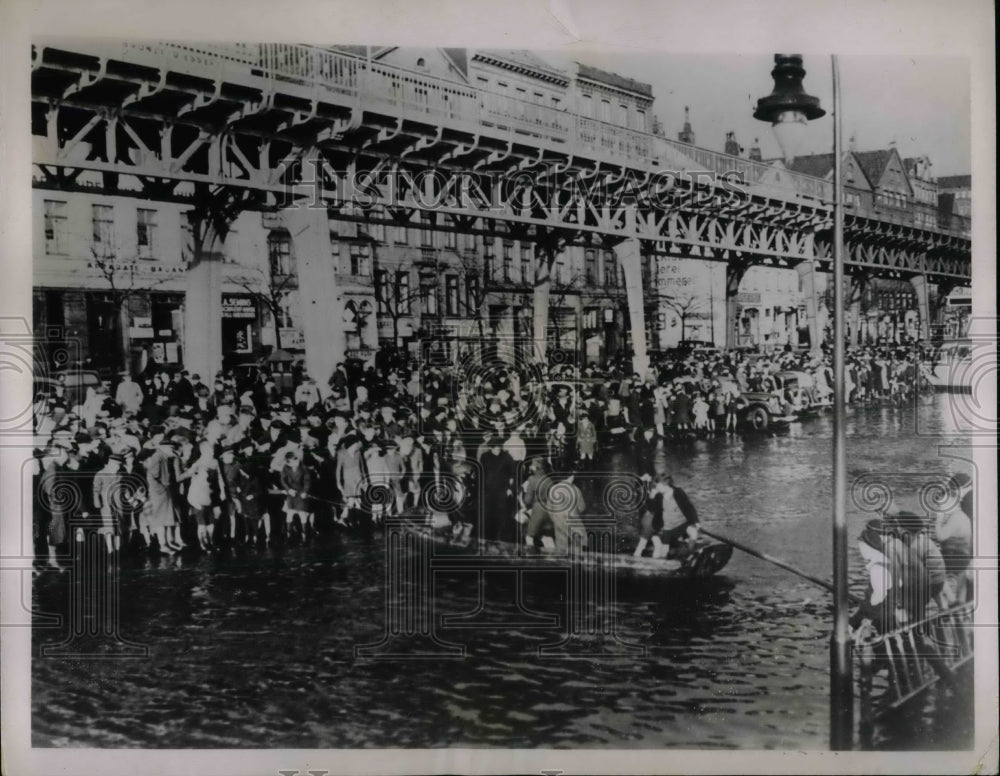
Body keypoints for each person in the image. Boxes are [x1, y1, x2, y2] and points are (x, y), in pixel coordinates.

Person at [634, 474, 699, 559]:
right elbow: (651, 509)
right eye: (656, 486)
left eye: (658, 486)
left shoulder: (678, 492)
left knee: (694, 533)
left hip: (682, 524)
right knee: (659, 547)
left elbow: (689, 507)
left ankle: (689, 556)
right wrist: (652, 497)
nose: (657, 488)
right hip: (667, 528)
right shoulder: (659, 496)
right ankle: (655, 559)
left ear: (665, 485)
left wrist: (696, 521)